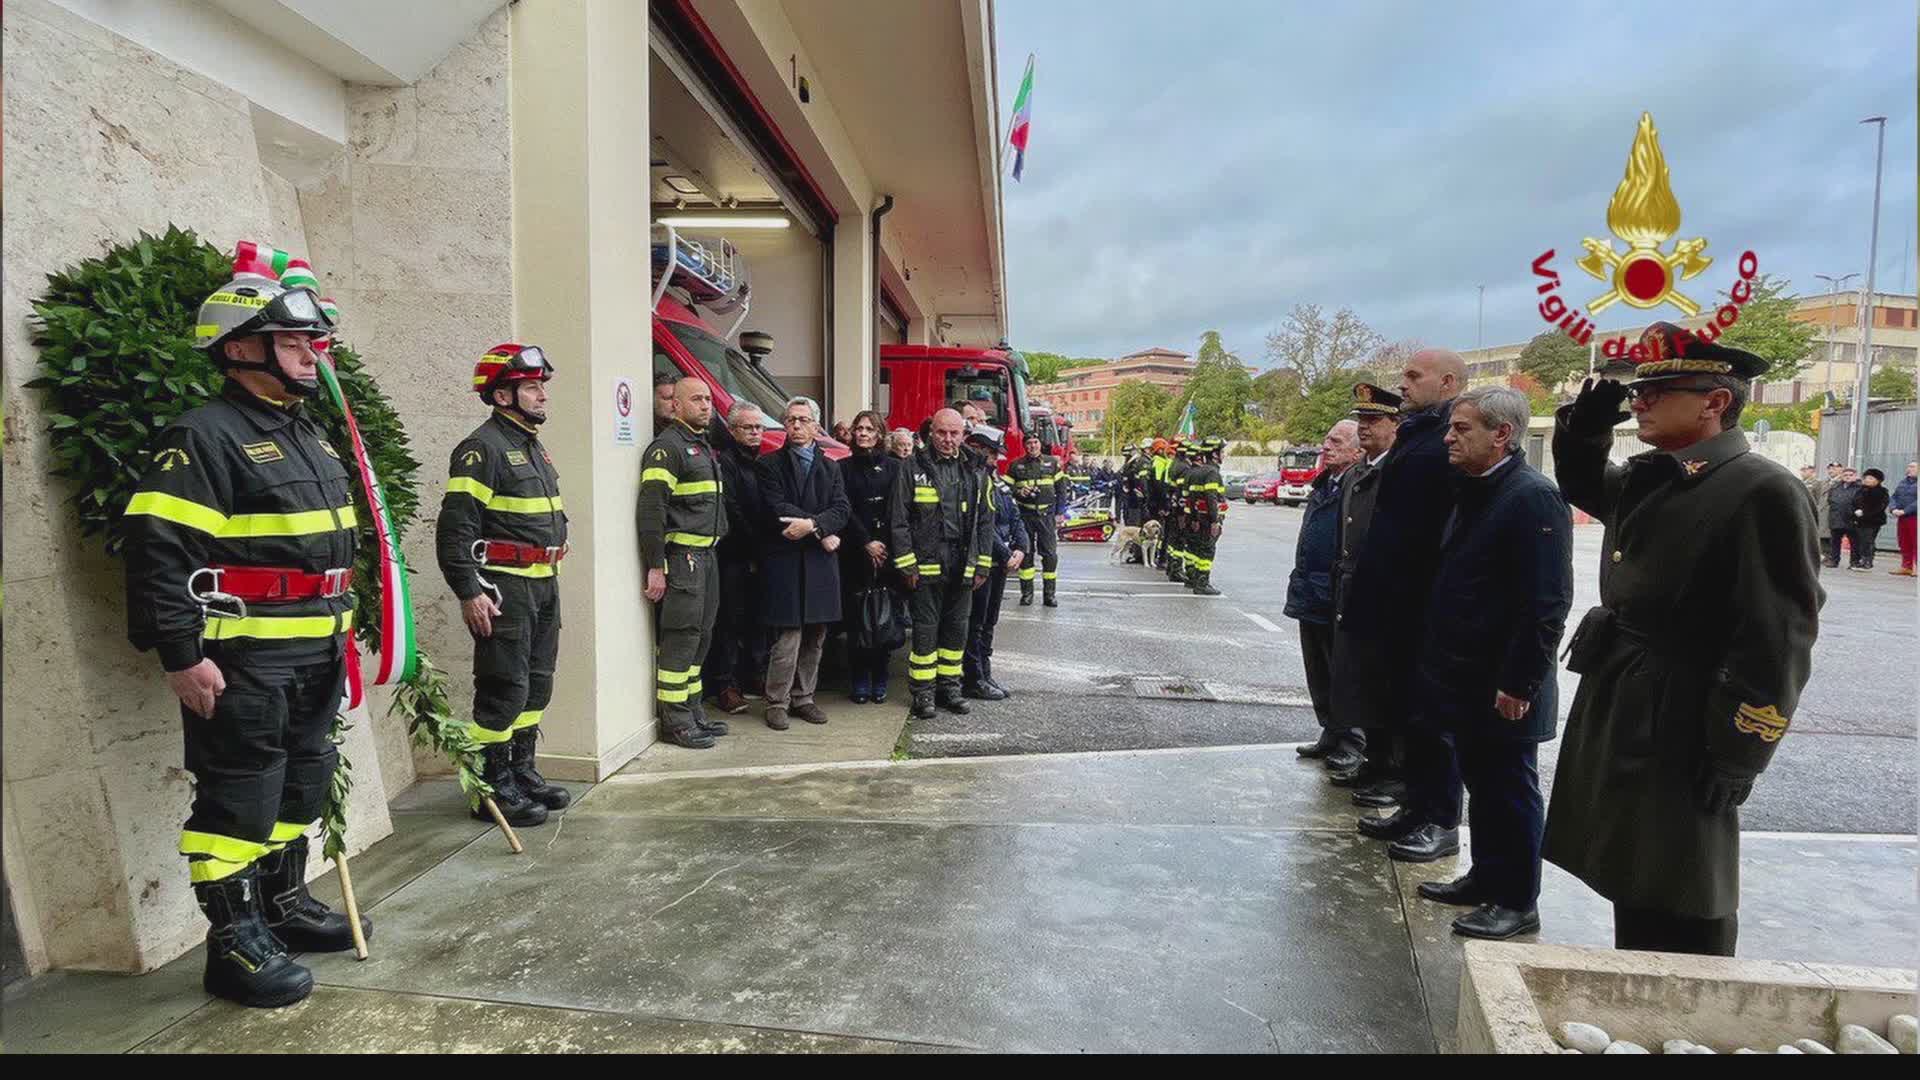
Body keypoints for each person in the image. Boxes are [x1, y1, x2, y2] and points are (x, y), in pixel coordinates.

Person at [124, 272, 365, 1008]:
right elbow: (158, 549)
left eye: (308, 341)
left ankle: (283, 908)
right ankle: (233, 946)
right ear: (240, 349)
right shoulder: (202, 436)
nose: (308, 355)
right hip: (246, 658)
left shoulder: (307, 434)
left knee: (302, 781)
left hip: (317, 648)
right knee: (240, 797)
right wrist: (181, 655)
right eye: (291, 342)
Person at [1545, 322, 1823, 956]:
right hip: (1630, 689)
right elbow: (1585, 486)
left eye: (1659, 390)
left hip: (1689, 711)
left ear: (1715, 401)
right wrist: (1585, 429)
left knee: (1685, 880)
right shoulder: (1663, 475)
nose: (1638, 401)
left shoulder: (1761, 489)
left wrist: (1739, 753)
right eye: (1639, 391)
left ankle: (1694, 1007)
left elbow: (1776, 637)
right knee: (1636, 872)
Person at [1413, 386, 1573, 940]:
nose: (1449, 438)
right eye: (1451, 428)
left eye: (1462, 429)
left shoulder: (1531, 497)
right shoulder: (1480, 488)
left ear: (1502, 434)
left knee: (1509, 790)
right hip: (1465, 677)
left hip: (1505, 683)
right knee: (1483, 785)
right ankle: (1485, 877)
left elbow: (1546, 603)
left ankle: (1515, 899)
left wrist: (1520, 681)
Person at [439, 344, 571, 830]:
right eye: (532, 387)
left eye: (542, 387)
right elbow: (455, 529)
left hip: (543, 583)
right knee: (503, 687)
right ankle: (489, 788)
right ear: (502, 394)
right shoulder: (483, 448)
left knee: (537, 684)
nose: (542, 396)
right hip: (504, 588)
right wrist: (469, 591)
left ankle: (520, 770)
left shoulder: (531, 444)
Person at [1343, 349, 1467, 863]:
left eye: (1414, 376)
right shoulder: (1419, 432)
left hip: (1423, 602)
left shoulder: (1445, 437)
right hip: (1396, 600)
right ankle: (1416, 807)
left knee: (1436, 725)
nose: (1405, 383)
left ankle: (1440, 820)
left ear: (1449, 381)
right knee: (1411, 717)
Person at [638, 378, 728, 749]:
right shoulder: (667, 448)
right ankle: (674, 720)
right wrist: (656, 566)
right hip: (684, 558)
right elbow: (651, 509)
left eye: (708, 399)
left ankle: (692, 710)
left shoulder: (700, 445)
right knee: (681, 637)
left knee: (701, 636)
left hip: (707, 556)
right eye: (697, 399)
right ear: (674, 405)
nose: (706, 405)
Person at [891, 408, 993, 719]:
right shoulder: (911, 467)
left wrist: (983, 565)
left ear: (964, 435)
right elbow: (899, 521)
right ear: (930, 433)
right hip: (925, 567)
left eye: (954, 433)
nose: (947, 439)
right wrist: (907, 566)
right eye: (941, 433)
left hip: (963, 566)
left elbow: (986, 522)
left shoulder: (977, 470)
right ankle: (923, 695)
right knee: (925, 632)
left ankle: (950, 689)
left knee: (956, 632)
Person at [756, 396, 850, 729]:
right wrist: (821, 528)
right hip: (784, 561)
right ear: (784, 424)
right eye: (791, 419)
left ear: (816, 426)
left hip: (819, 563)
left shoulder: (831, 466)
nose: (796, 425)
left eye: (803, 420)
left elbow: (842, 509)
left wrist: (814, 526)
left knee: (816, 635)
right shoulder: (768, 465)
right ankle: (776, 702)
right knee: (788, 636)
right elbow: (775, 507)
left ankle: (804, 698)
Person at [1331, 384, 1405, 808]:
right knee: (1360, 682)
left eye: (1373, 421)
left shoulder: (1398, 470)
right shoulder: (1360, 472)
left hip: (1383, 592)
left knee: (1385, 688)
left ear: (1396, 425)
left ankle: (1391, 771)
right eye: (1360, 420)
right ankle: (1373, 761)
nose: (1364, 428)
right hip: (1352, 586)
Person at [1287, 420, 1366, 771]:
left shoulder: (1357, 483)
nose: (1326, 445)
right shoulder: (1326, 482)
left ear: (1357, 450)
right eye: (1326, 439)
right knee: (1317, 668)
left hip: (1334, 593)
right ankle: (1330, 732)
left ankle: (1352, 740)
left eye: (1336, 441)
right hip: (1311, 590)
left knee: (1341, 671)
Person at [704, 403, 770, 717]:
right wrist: (757, 546)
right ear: (732, 430)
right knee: (728, 623)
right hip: (733, 556)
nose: (755, 433)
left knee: (758, 619)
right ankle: (725, 685)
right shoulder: (725, 463)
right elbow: (732, 510)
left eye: (759, 427)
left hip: (760, 556)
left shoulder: (762, 463)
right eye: (748, 427)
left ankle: (754, 675)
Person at [840, 410, 905, 703]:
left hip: (888, 553)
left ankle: (881, 675)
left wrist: (884, 544)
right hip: (855, 552)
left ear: (880, 434)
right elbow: (843, 508)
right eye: (859, 428)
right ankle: (859, 678)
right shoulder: (841, 468)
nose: (863, 433)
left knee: (884, 618)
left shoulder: (896, 468)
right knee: (857, 620)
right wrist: (866, 542)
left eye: (869, 429)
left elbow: (900, 510)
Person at [964, 425, 1028, 700]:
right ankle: (973, 678)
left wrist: (1022, 548)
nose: (997, 459)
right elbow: (981, 526)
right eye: (992, 454)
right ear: (977, 449)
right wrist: (1006, 554)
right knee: (975, 624)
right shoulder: (972, 479)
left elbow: (1015, 517)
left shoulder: (998, 481)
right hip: (983, 562)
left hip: (1001, 561)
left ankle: (985, 673)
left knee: (989, 622)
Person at [1008, 423, 1068, 606]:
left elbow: (1061, 490)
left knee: (1050, 555)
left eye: (1035, 442)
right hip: (1025, 516)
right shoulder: (1015, 466)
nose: (1032, 446)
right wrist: (1019, 492)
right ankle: (1027, 594)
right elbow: (1006, 489)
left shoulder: (1052, 463)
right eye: (1029, 443)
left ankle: (1049, 595)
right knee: (1026, 554)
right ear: (1024, 446)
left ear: (1040, 444)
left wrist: (1060, 513)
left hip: (1046, 516)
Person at [1182, 436, 1230, 595]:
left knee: (1197, 549)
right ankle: (1202, 583)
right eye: (1222, 452)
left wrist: (1194, 518)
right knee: (1207, 551)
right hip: (1208, 519)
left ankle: (1195, 579)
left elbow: (1192, 498)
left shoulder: (1197, 471)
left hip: (1199, 518)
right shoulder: (1212, 472)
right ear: (1215, 454)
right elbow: (1211, 497)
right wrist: (1215, 521)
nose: (1224, 455)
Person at [1849, 468, 1889, 571]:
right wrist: (1855, 511)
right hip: (1858, 520)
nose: (1867, 480)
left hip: (1872, 521)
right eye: (1866, 478)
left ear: (1878, 480)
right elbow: (1853, 502)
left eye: (1870, 478)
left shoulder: (1881, 491)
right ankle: (1858, 560)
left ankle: (1867, 561)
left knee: (1867, 541)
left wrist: (1864, 513)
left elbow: (1880, 507)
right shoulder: (1861, 490)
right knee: (1858, 541)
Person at [1825, 467, 1860, 568]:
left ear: (1855, 476)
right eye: (1845, 475)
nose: (1848, 477)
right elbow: (1830, 500)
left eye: (1850, 475)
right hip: (1836, 517)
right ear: (1842, 476)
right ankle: (1834, 560)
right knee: (1835, 541)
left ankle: (1854, 562)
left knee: (1854, 542)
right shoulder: (1836, 487)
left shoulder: (1860, 488)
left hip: (1852, 519)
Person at [1892, 461, 1918, 576]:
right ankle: (1906, 566)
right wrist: (1893, 509)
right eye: (1908, 466)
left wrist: (1905, 510)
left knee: (1916, 542)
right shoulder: (1903, 482)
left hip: (1915, 516)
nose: (1909, 468)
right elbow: (1894, 496)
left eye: (1912, 467)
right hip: (1902, 517)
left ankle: (1917, 567)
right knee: (1904, 541)